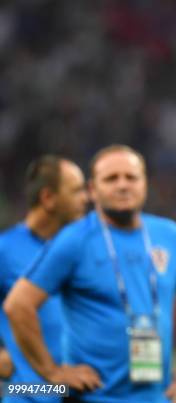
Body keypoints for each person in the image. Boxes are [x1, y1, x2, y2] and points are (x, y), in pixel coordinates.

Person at [3, 145, 176, 403]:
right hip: (93, 397)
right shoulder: (74, 239)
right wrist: (52, 372)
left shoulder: (169, 235)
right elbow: (18, 304)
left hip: (159, 397)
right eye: (111, 178)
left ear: (145, 183)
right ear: (92, 190)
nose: (123, 185)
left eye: (131, 177)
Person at [0, 156, 87, 403]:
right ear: (48, 198)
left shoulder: (81, 250)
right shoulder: (5, 250)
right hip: (30, 395)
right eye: (77, 191)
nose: (86, 199)